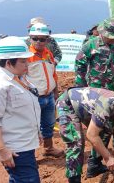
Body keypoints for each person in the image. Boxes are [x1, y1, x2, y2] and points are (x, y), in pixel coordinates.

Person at [0, 37, 41, 182]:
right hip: (15, 149)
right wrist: (2, 151)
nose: (27, 63)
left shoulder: (18, 78)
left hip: (25, 143)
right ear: (8, 62)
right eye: (22, 61)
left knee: (19, 179)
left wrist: (36, 132)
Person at [56, 87, 114, 183]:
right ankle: (74, 180)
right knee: (76, 143)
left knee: (106, 130)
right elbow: (91, 135)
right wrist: (108, 157)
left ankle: (94, 166)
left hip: (87, 108)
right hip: (67, 104)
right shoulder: (108, 104)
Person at [27, 23, 64, 158]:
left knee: (48, 124)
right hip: (33, 98)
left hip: (48, 96)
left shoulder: (49, 54)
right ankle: (30, 156)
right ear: (30, 38)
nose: (39, 42)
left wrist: (55, 92)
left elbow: (53, 73)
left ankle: (48, 148)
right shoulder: (26, 57)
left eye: (42, 39)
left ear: (48, 40)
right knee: (31, 127)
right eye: (35, 38)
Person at [75, 19, 114, 94]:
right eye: (109, 37)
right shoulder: (91, 45)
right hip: (97, 89)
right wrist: (82, 87)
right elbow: (80, 64)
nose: (112, 39)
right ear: (103, 33)